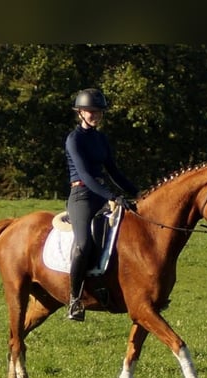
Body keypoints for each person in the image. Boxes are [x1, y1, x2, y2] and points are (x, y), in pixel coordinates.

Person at [64, 88, 138, 321]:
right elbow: (85, 175)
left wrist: (138, 193)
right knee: (84, 244)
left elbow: (114, 171)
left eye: (99, 111)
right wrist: (112, 197)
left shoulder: (101, 139)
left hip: (101, 193)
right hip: (81, 196)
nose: (95, 115)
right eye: (91, 111)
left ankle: (107, 287)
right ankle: (75, 299)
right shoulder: (74, 139)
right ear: (80, 113)